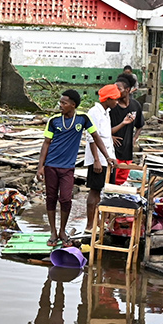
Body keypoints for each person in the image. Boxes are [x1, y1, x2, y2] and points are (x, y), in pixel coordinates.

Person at [35, 89, 108, 246]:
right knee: (51, 198)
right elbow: (46, 144)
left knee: (66, 199)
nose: (60, 105)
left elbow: (96, 137)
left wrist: (106, 157)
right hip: (51, 165)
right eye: (60, 102)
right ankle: (53, 232)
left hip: (68, 167)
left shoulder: (83, 119)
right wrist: (40, 166)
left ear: (73, 105)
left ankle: (63, 230)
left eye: (64, 103)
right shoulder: (54, 121)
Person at [84, 84, 123, 240]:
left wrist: (110, 157)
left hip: (106, 158)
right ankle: (89, 225)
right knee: (94, 190)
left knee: (103, 191)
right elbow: (91, 137)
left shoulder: (106, 113)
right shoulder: (94, 113)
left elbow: (105, 138)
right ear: (108, 99)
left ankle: (99, 222)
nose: (117, 103)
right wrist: (97, 160)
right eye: (115, 100)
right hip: (97, 159)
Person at [108, 72, 144, 184]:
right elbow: (102, 128)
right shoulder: (112, 107)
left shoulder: (135, 105)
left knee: (121, 182)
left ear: (128, 90)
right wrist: (110, 136)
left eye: (119, 89)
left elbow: (140, 125)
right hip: (113, 152)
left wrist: (134, 139)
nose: (116, 91)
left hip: (127, 152)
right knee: (110, 182)